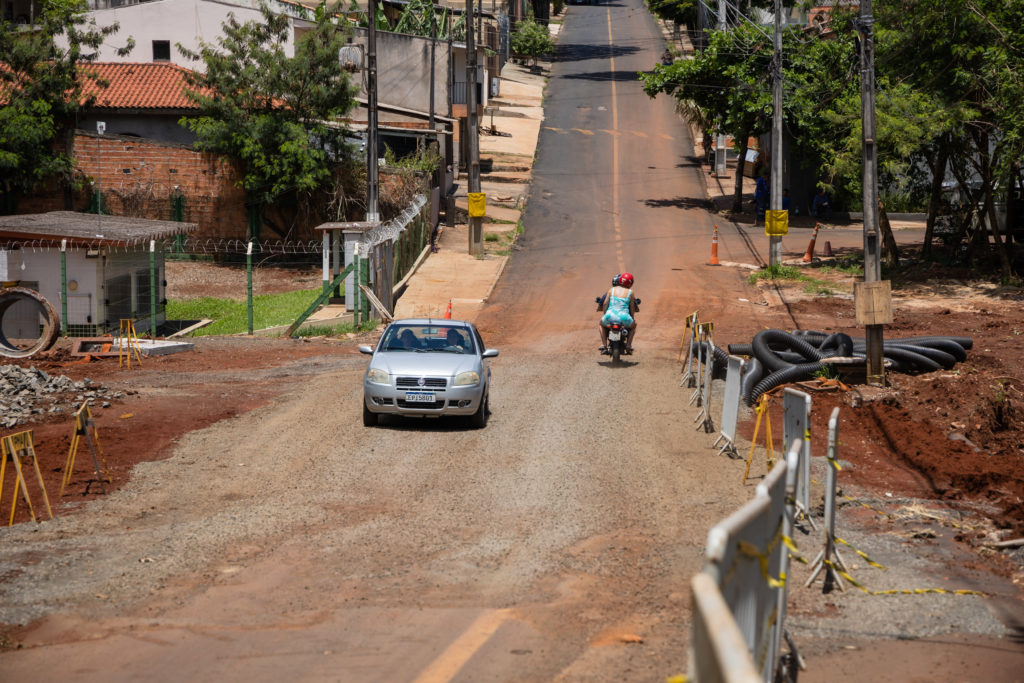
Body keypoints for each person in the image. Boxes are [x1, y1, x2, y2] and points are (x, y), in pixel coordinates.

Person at [598, 272, 638, 353]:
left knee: (601, 325)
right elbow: (632, 307)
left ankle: (604, 345)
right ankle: (628, 345)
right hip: (624, 317)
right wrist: (632, 318)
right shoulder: (630, 292)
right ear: (630, 283)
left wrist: (606, 315)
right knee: (633, 326)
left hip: (610, 316)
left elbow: (605, 303)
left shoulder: (611, 290)